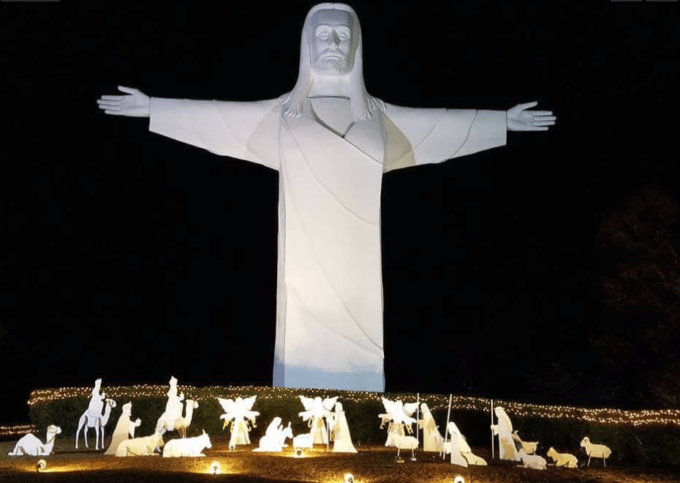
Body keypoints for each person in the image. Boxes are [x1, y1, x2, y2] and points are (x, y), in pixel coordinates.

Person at [97, 3, 555, 392]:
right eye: (324, 35)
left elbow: (441, 126)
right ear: (308, 44)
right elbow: (216, 118)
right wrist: (153, 107)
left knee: (360, 332)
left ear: (355, 46)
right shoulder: (283, 115)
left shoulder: (378, 118)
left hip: (359, 266)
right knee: (301, 330)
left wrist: (503, 123)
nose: (333, 44)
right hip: (304, 265)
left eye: (342, 35)